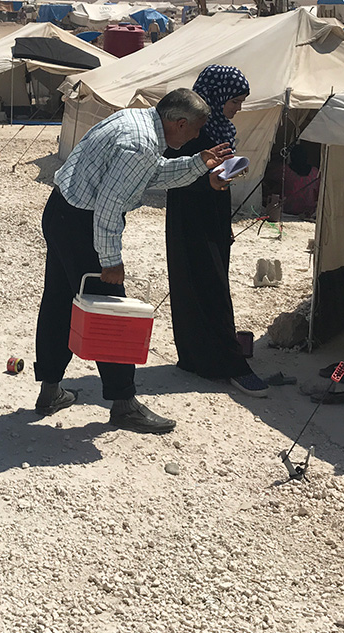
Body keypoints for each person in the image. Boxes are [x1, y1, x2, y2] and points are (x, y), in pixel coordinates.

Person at [33, 88, 233, 433]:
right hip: (83, 224)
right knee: (112, 311)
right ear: (180, 123)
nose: (197, 136)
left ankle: (51, 389)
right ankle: (124, 403)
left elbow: (151, 176)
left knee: (60, 301)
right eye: (196, 129)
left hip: (61, 212)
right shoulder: (141, 145)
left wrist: (198, 163)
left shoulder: (136, 119)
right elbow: (109, 207)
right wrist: (111, 260)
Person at [165, 65, 270, 396]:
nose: (237, 109)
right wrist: (208, 180)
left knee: (207, 284)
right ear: (218, 97)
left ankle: (201, 360)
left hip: (212, 217)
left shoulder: (219, 129)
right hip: (190, 220)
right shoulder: (192, 130)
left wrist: (227, 173)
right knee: (206, 289)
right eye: (234, 102)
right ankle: (230, 364)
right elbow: (172, 173)